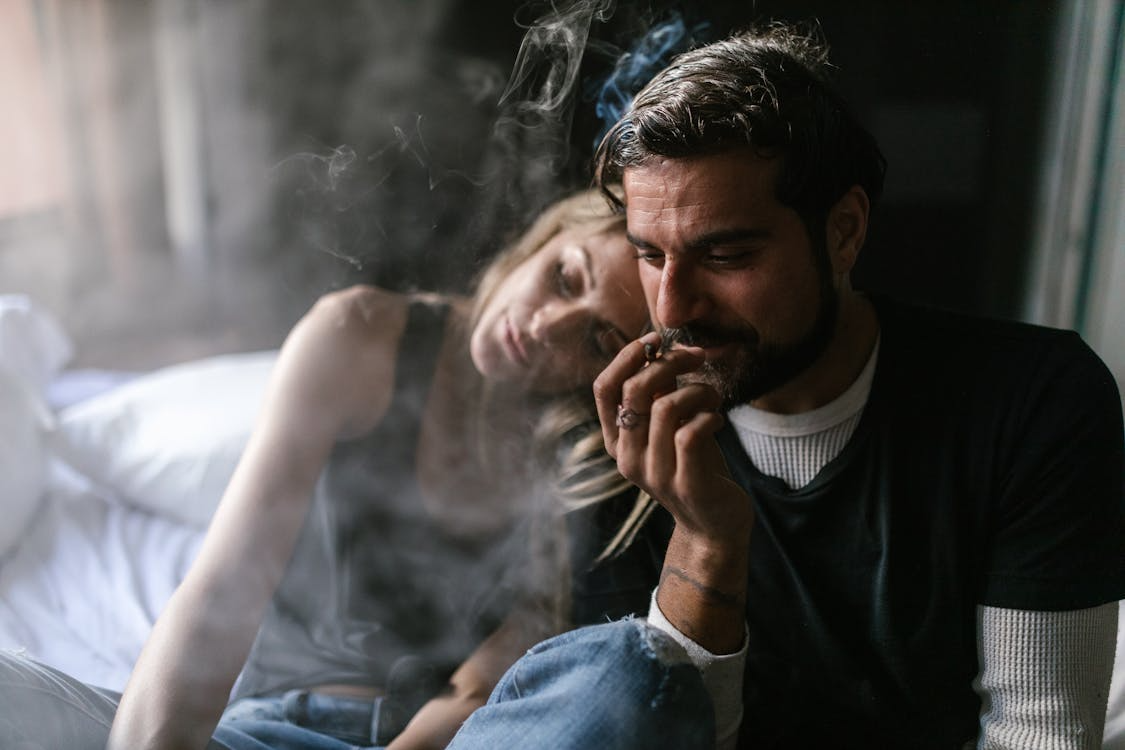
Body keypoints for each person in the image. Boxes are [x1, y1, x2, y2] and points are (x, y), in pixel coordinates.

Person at [445, 23, 1125, 750]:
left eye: (726, 254)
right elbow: (655, 735)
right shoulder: (621, 456)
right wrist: (705, 543)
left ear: (843, 232)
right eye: (649, 255)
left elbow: (1043, 735)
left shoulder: (1029, 402)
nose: (672, 308)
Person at [0, 187, 651, 750]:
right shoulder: (358, 338)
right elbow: (221, 592)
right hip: (265, 728)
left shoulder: (587, 466)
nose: (547, 325)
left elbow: (477, 689)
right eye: (566, 278)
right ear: (546, 237)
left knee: (626, 679)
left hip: (441, 740)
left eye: (598, 340)